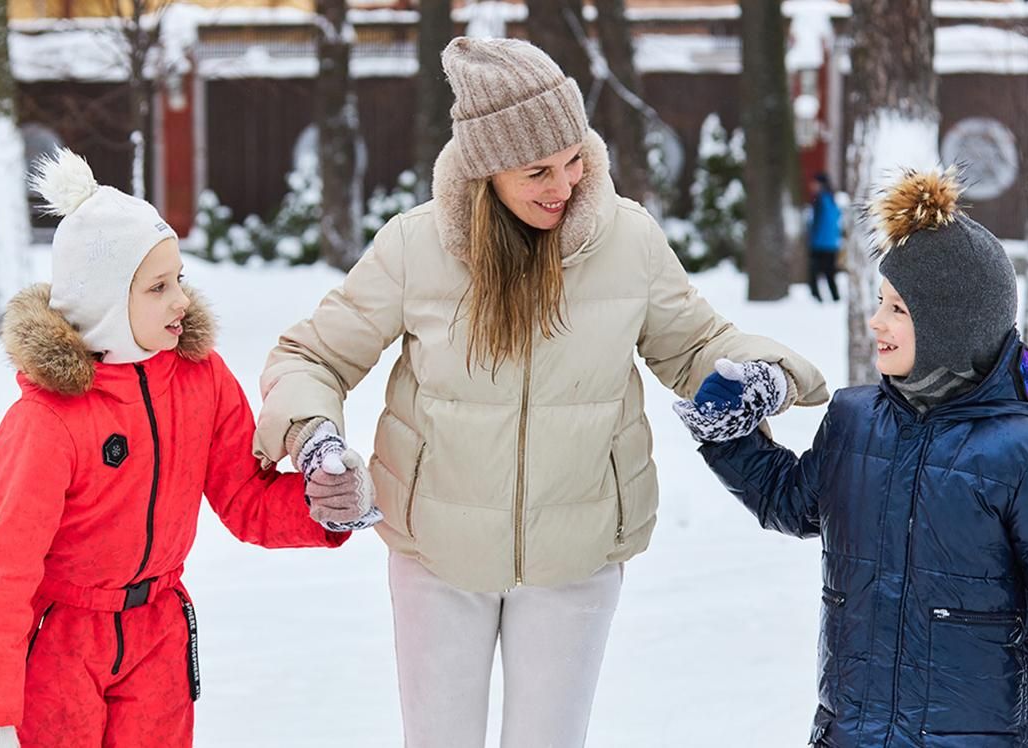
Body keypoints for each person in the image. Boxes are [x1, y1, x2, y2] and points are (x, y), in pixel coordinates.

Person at [252, 37, 827, 748]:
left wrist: (766, 372)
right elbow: (311, 355)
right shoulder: (415, 248)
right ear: (486, 171)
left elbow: (697, 345)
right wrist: (315, 438)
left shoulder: (628, 242)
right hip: (437, 552)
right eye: (537, 171)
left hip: (575, 553)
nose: (565, 184)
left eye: (573, 159)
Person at [672, 168, 1028, 747]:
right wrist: (728, 433)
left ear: (950, 325)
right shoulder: (854, 420)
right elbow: (791, 504)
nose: (876, 322)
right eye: (880, 302)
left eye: (898, 308)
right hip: (852, 732)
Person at [0, 150, 364, 748]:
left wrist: (323, 504)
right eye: (157, 286)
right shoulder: (45, 424)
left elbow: (244, 495)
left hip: (158, 635)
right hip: (63, 642)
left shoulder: (200, 381)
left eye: (180, 280)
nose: (180, 300)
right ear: (105, 303)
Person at [807, 172, 843, 302]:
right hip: (832, 243)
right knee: (830, 273)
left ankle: (817, 298)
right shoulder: (832, 199)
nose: (812, 186)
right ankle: (835, 298)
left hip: (819, 243)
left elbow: (815, 223)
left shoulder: (820, 199)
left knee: (813, 273)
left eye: (814, 183)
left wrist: (810, 239)